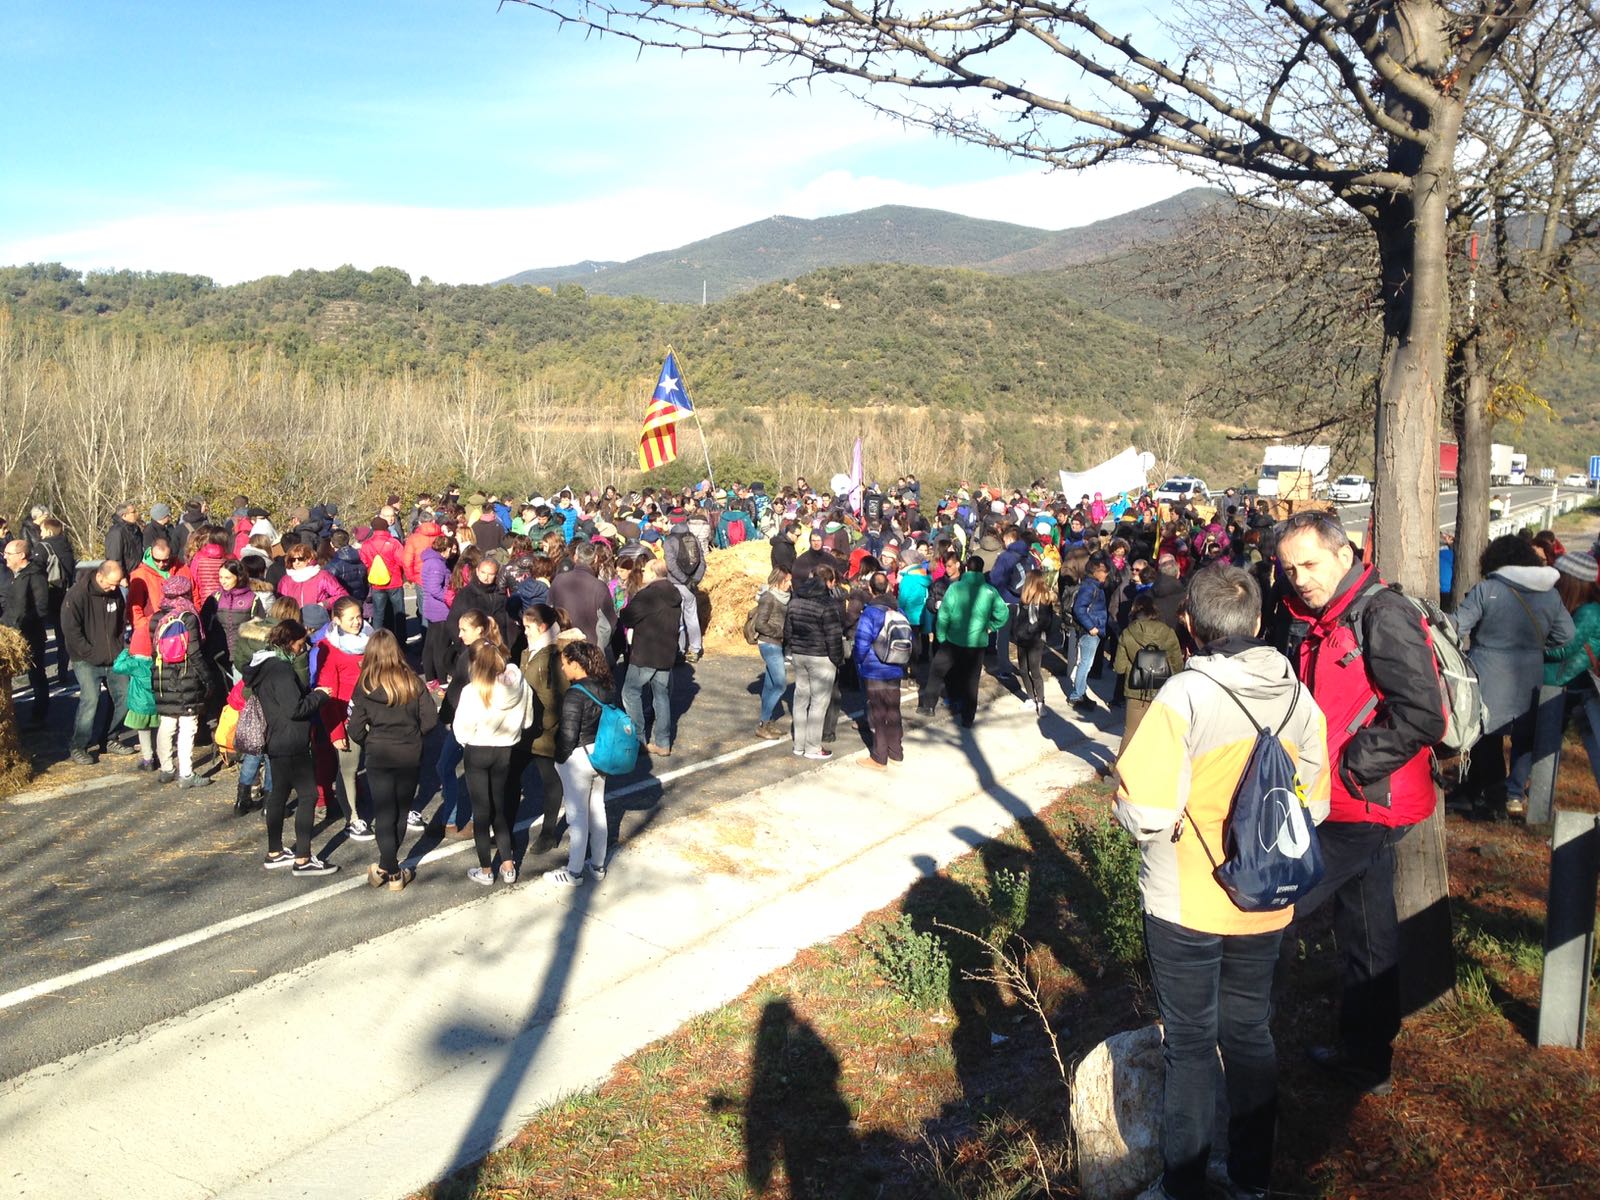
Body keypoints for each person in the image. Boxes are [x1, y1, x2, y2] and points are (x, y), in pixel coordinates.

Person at [1116, 564, 1330, 1200]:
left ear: (1189, 623)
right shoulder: (1298, 695)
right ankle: (1251, 1178)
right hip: (1267, 897)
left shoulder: (1184, 696)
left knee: (1189, 1043)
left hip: (1188, 896)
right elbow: (1311, 806)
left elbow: (1149, 812)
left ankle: (1183, 1185)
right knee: (1249, 1033)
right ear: (1261, 621)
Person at [1276, 509, 1447, 1096]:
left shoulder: (1382, 614)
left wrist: (1351, 767)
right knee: (1366, 929)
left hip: (1365, 803)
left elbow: (1423, 714)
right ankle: (1367, 1055)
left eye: (1310, 564)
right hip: (1349, 802)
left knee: (1275, 902)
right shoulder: (1324, 615)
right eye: (1290, 567)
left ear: (1344, 554)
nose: (1299, 577)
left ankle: (1242, 1050)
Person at [1453, 534, 1573, 820]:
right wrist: (1538, 648)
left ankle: (1489, 793)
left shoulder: (1487, 589)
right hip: (1529, 672)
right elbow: (1566, 635)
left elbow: (1457, 626)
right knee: (1524, 735)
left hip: (1486, 671)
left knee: (1484, 734)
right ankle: (1515, 794)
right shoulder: (1550, 594)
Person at [242, 620, 338, 876]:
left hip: (275, 739)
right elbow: (295, 709)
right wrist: (319, 695)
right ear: (289, 642)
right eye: (299, 643)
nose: (301, 648)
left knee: (278, 794)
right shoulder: (281, 670)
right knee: (307, 796)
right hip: (292, 740)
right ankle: (304, 858)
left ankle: (275, 851)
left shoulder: (262, 665)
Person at [347, 629, 435, 891]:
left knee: (384, 813)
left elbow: (354, 728)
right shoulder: (411, 681)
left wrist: (370, 740)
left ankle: (389, 868)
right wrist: (414, 735)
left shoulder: (364, 685)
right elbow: (430, 719)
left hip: (378, 755)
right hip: (409, 753)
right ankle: (391, 868)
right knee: (400, 811)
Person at [548, 640, 613, 887]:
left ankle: (573, 871)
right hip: (602, 753)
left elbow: (568, 736)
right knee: (598, 810)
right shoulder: (606, 687)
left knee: (577, 817)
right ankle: (597, 865)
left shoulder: (574, 695)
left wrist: (559, 759)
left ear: (577, 664)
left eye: (566, 664)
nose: (563, 669)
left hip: (578, 758)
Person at [62, 559, 137, 764]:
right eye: (110, 584)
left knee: (125, 697)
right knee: (90, 700)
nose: (114, 588)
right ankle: (79, 745)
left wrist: (120, 647)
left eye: (117, 584)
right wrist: (89, 653)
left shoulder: (114, 594)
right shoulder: (77, 595)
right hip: (86, 658)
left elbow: (121, 624)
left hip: (113, 656)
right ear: (99, 576)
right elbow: (70, 630)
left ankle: (110, 737)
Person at [435, 609, 501, 840]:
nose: (460, 634)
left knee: (471, 774)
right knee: (447, 767)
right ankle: (450, 820)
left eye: (464, 630)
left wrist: (449, 713)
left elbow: (466, 689)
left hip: (470, 723)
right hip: (461, 720)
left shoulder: (481, 655)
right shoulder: (470, 650)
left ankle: (472, 821)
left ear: (479, 630)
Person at [925, 555, 1011, 727]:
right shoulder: (989, 591)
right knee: (971, 681)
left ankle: (928, 707)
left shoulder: (956, 588)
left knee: (936, 671)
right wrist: (991, 626)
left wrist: (941, 636)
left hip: (953, 640)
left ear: (966, 568)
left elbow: (944, 615)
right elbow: (1003, 613)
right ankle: (967, 717)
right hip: (976, 643)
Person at [316, 597, 376, 841]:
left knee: (377, 765)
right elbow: (327, 693)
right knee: (348, 770)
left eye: (359, 616)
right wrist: (336, 731)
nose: (357, 622)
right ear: (337, 620)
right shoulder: (328, 647)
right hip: (347, 718)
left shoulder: (373, 640)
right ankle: (353, 819)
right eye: (350, 618)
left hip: (375, 715)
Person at [147, 573, 212, 787]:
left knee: (166, 723)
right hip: (185, 676)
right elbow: (194, 652)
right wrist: (207, 678)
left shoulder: (156, 618)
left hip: (162, 677)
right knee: (187, 725)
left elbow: (153, 650)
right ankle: (186, 774)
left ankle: (166, 768)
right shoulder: (188, 616)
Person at [612, 556, 681, 757]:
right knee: (661, 696)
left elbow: (627, 617)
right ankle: (663, 742)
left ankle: (639, 740)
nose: (642, 573)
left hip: (646, 651)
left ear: (652, 573)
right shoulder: (674, 592)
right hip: (666, 651)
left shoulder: (648, 595)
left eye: (645, 571)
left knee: (630, 692)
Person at [516, 603, 568, 854]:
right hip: (525, 730)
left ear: (543, 627)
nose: (524, 631)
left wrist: (542, 726)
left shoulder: (553, 655)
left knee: (551, 781)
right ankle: (504, 828)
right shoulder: (531, 651)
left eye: (528, 627)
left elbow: (555, 698)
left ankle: (548, 834)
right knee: (509, 778)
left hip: (543, 733)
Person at [783, 562, 845, 760]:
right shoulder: (827, 604)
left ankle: (799, 744)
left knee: (801, 699)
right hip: (821, 656)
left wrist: (792, 649)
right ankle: (812, 746)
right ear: (830, 581)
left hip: (800, 654)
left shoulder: (795, 600)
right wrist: (837, 660)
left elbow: (788, 630)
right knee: (819, 703)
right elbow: (834, 636)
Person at [1113, 592, 1185, 753]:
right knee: (1158, 734)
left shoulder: (1128, 632)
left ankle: (1119, 774)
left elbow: (1119, 667)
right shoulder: (1168, 632)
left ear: (1135, 610)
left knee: (1130, 733)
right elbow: (1177, 664)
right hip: (1162, 689)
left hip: (1135, 689)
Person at [851, 571, 905, 770]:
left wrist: (860, 663)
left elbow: (862, 643)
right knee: (893, 710)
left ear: (871, 590)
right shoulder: (899, 611)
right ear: (889, 588)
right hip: (895, 668)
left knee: (878, 713)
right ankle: (896, 751)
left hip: (875, 670)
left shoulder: (871, 613)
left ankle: (879, 756)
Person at [1, 539, 50, 727]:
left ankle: (39, 717)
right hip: (10, 632)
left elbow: (41, 607)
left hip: (30, 635)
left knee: (36, 674)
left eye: (8, 553)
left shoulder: (35, 576)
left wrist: (19, 626)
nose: (4, 557)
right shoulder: (13, 575)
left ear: (21, 555)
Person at [1067, 554, 1112, 712]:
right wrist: (1091, 627)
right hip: (1090, 632)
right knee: (1085, 664)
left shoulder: (1095, 587)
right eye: (1103, 571)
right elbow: (1079, 609)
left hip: (1095, 630)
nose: (1106, 574)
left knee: (1087, 663)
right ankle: (1076, 695)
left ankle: (1081, 692)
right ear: (1095, 572)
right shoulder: (1089, 587)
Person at [751, 568, 791, 739]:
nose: (790, 584)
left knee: (769, 684)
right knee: (781, 684)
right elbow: (760, 624)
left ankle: (767, 721)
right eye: (788, 580)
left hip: (777, 644)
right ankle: (763, 724)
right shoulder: (769, 597)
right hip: (769, 643)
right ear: (780, 580)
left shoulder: (785, 597)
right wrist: (780, 633)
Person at [1011, 570, 1057, 716]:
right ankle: (1031, 698)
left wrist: (1031, 630)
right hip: (1022, 638)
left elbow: (1045, 621)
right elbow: (1018, 618)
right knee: (1023, 670)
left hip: (1035, 640)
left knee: (1035, 671)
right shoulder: (1024, 599)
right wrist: (1017, 632)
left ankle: (1041, 701)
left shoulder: (1043, 600)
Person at [275, 542, 347, 633]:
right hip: (294, 625)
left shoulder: (322, 576)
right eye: (293, 559)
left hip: (318, 625)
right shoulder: (285, 580)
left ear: (309, 559)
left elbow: (342, 595)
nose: (296, 562)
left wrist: (324, 604)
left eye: (300, 559)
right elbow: (280, 602)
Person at [988, 526, 1029, 677]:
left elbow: (994, 578)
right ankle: (1026, 667)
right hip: (1024, 600)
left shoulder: (1005, 557)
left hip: (1005, 599)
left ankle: (1004, 668)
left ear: (1010, 539)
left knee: (1003, 637)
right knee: (1022, 635)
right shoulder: (1028, 555)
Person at [663, 518, 706, 662]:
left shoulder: (669, 540)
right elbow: (702, 562)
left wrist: (684, 580)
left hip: (676, 583)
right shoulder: (693, 538)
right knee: (692, 616)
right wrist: (694, 580)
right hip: (691, 585)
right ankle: (695, 649)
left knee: (678, 618)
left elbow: (671, 565)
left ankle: (679, 650)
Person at [359, 520, 407, 643]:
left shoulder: (367, 544)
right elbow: (402, 560)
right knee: (399, 613)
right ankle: (401, 641)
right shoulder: (393, 543)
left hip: (376, 583)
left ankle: (377, 643)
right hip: (395, 581)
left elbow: (363, 563)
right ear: (386, 528)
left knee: (378, 614)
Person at [104, 502, 144, 577]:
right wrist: (121, 577)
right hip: (125, 576)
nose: (137, 513)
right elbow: (114, 557)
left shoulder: (135, 529)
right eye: (133, 512)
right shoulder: (116, 532)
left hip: (138, 573)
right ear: (124, 515)